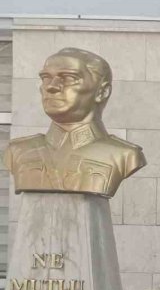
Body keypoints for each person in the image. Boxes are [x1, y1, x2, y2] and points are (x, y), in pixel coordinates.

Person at [4, 48, 146, 197]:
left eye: (69, 78)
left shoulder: (124, 155)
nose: (51, 86)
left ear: (101, 92)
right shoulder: (19, 151)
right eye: (46, 77)